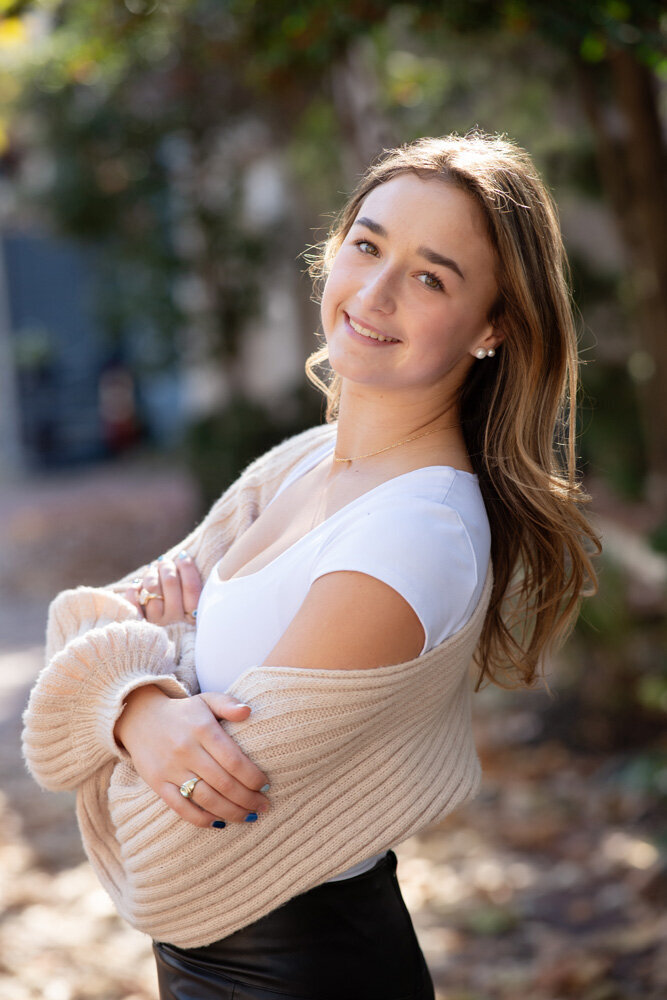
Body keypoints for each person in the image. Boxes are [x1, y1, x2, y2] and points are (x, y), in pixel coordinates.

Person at [23, 132, 599, 1000]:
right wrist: (142, 707)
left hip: (300, 974)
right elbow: (73, 630)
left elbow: (164, 844)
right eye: (366, 245)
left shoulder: (411, 538)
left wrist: (147, 658)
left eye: (430, 276)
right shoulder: (300, 462)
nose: (373, 293)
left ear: (492, 328)